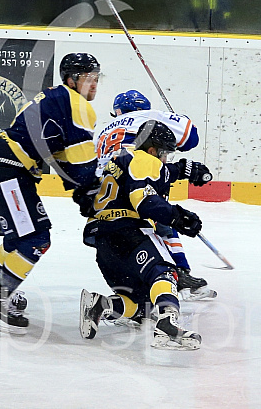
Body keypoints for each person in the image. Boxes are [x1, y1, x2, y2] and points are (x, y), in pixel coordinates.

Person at [0, 53, 101, 334]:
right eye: (87, 78)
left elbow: (61, 157)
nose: (93, 84)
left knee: (20, 235)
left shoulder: (54, 96)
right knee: (36, 238)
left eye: (96, 78)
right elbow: (80, 171)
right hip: (9, 168)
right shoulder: (78, 106)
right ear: (72, 80)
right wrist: (90, 192)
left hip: (0, 162)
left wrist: (82, 188)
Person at [79, 121, 205, 350]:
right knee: (165, 271)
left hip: (103, 240)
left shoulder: (120, 160)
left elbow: (155, 173)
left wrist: (184, 170)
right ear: (152, 149)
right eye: (164, 153)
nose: (165, 159)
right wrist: (178, 217)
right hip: (130, 233)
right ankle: (168, 324)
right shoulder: (145, 159)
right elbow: (144, 200)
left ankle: (101, 305)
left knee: (142, 303)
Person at [94, 89, 215, 302]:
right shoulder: (149, 118)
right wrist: (177, 119)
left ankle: (143, 284)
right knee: (160, 215)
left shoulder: (103, 132)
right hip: (138, 179)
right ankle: (178, 275)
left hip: (105, 195)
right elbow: (191, 137)